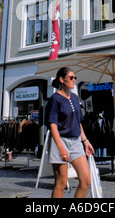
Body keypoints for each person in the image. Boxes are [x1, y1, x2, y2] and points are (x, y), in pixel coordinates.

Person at [45, 67, 94, 198]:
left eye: (75, 78)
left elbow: (78, 122)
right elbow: (52, 125)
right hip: (60, 141)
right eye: (71, 78)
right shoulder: (55, 99)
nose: (74, 80)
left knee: (86, 180)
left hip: (76, 142)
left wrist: (86, 141)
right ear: (62, 80)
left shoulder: (74, 97)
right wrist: (61, 148)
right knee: (61, 183)